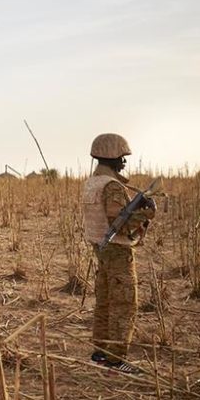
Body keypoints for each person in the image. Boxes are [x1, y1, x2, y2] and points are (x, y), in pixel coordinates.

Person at [82, 133, 155, 374]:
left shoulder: (93, 183)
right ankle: (116, 360)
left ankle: (100, 353)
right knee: (123, 306)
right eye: (121, 158)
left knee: (105, 304)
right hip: (117, 253)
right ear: (112, 156)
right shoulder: (111, 186)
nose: (124, 163)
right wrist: (146, 213)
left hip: (101, 252)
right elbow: (121, 225)